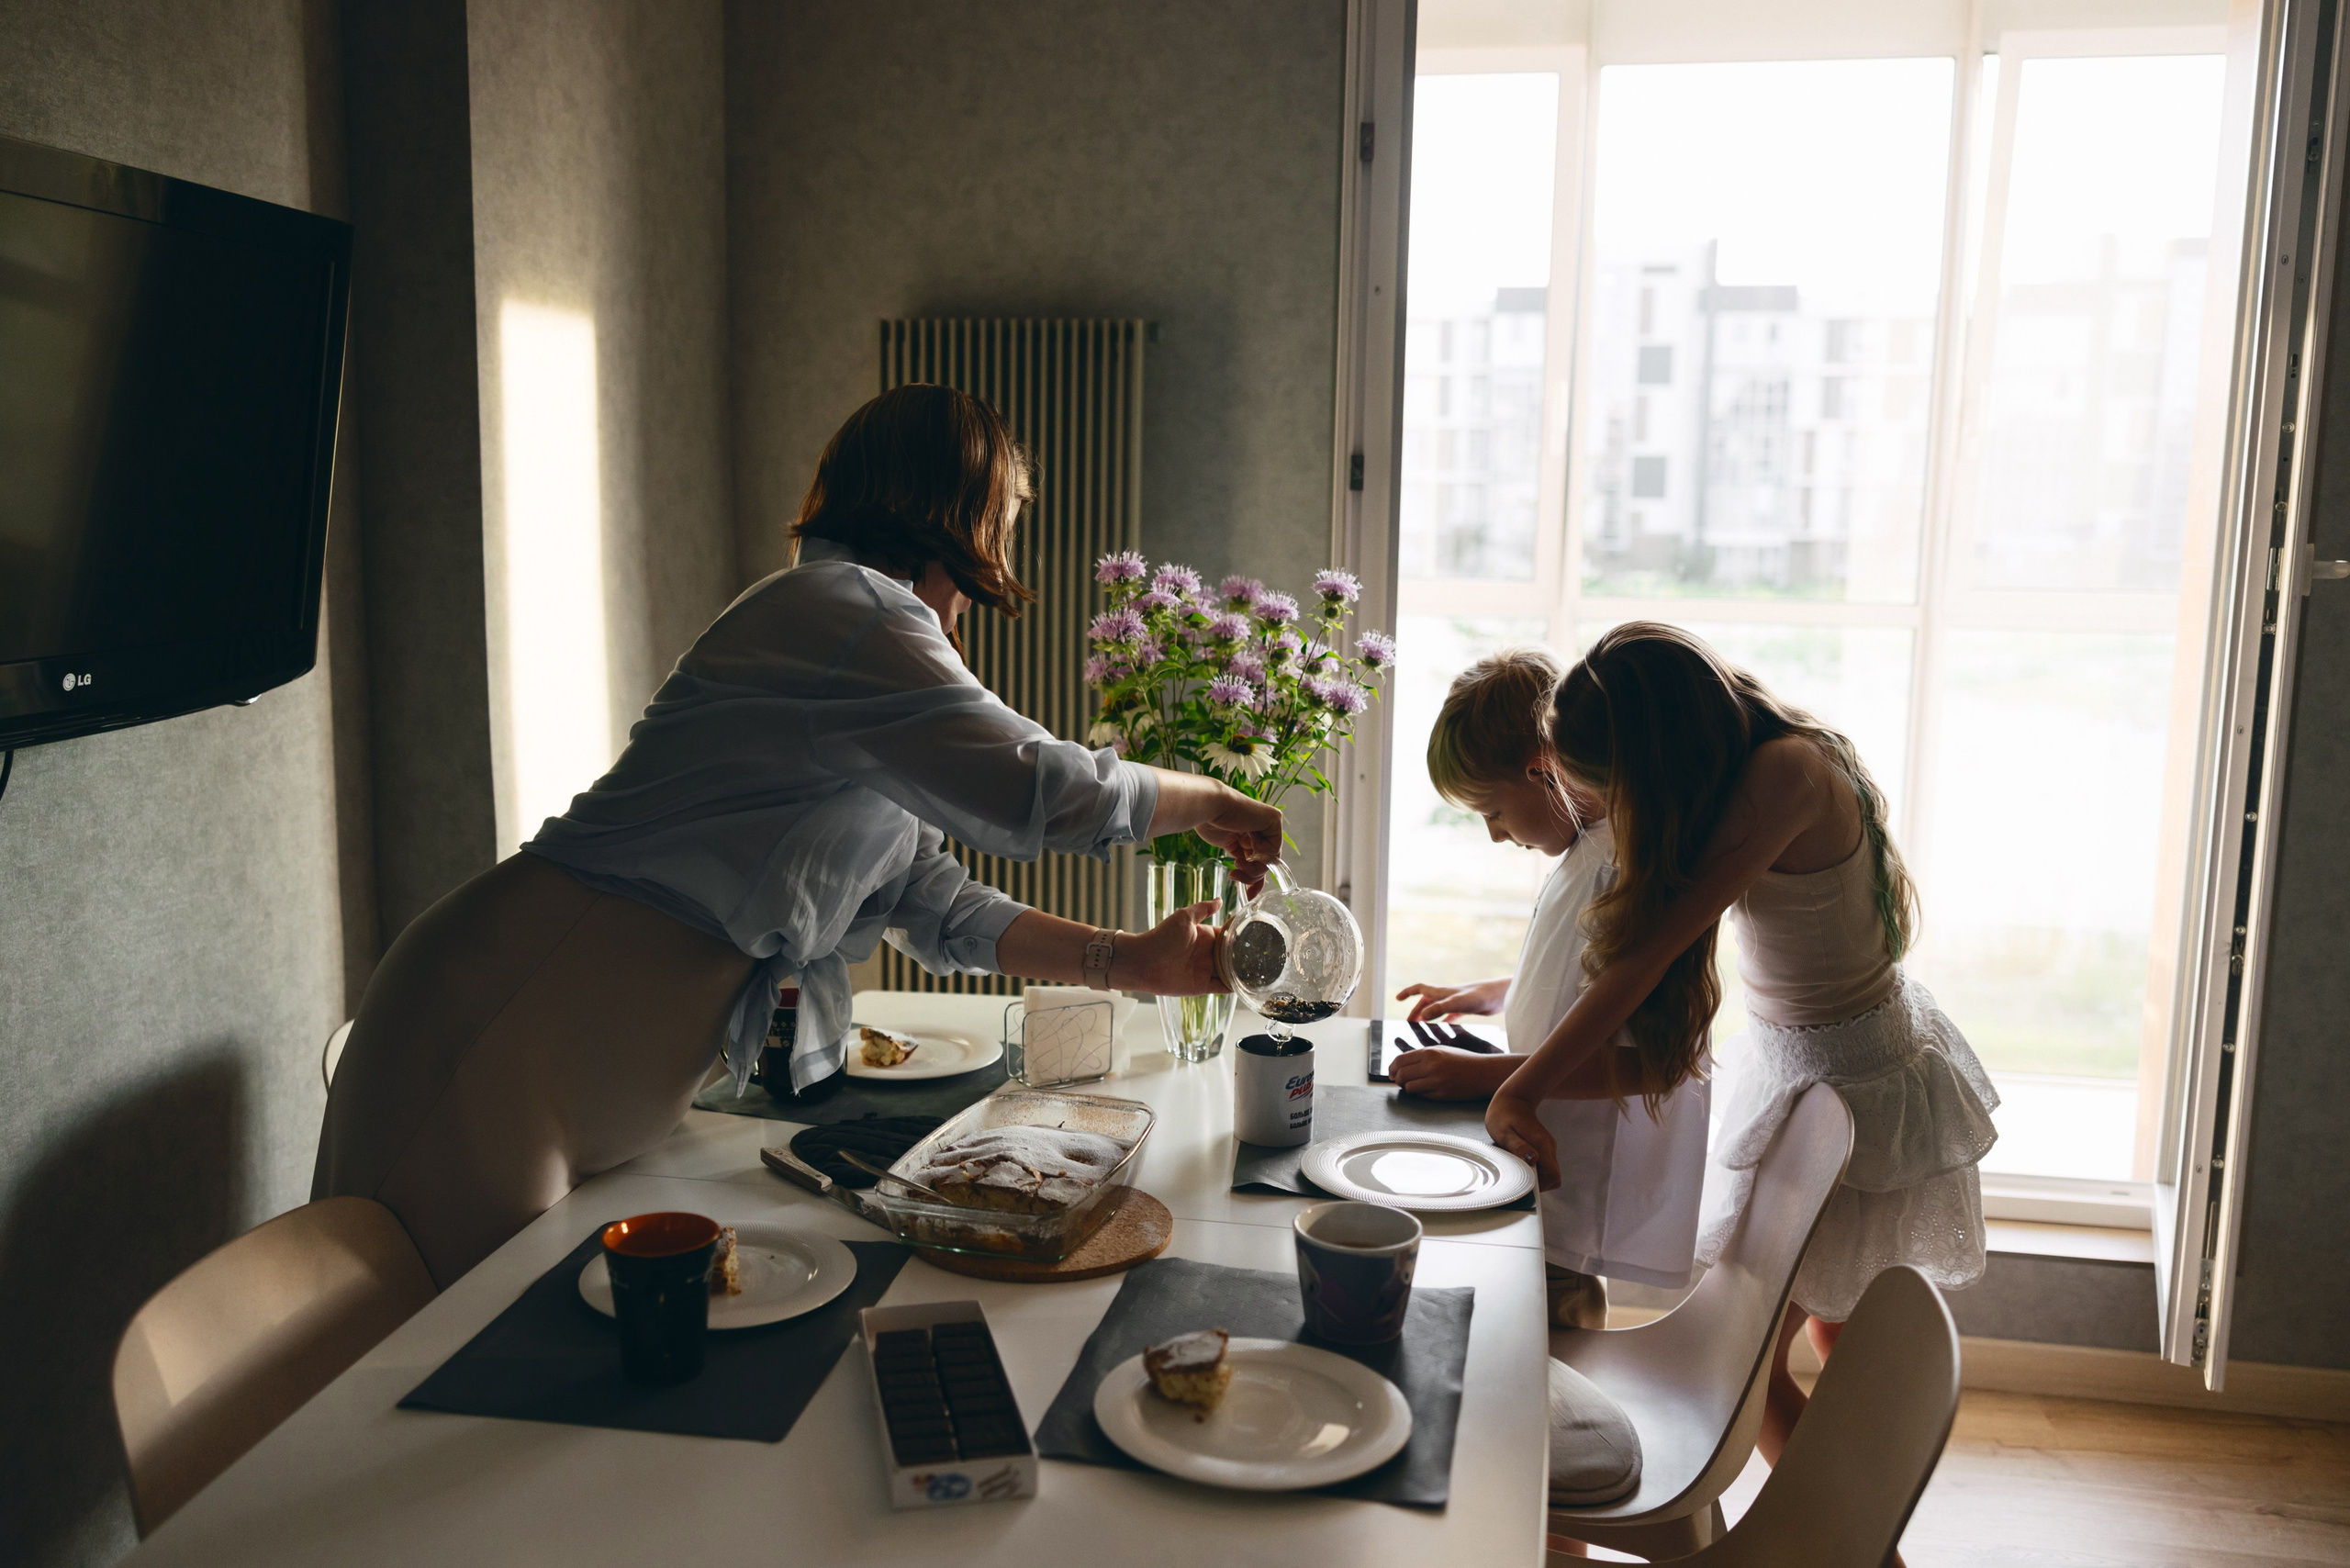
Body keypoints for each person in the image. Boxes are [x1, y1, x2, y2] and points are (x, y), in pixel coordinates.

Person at [316, 385, 1280, 1284]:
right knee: (407, 1381)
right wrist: (1212, 799)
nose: (997, 562)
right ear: (958, 516)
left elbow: (926, 897)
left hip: (554, 1057)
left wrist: (1130, 962)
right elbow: (1035, 790)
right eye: (1003, 526)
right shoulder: (849, 614)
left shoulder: (855, 637)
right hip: (497, 1027)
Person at [1483, 621, 1997, 1474]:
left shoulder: (1781, 775)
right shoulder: (1746, 751)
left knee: (1758, 1362)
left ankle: (1848, 1527)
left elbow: (1648, 954)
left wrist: (1518, 1090)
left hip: (1859, 1084)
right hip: (1815, 1065)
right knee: (1814, 1333)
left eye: (1606, 790)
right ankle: (1857, 1520)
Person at [1388, 647, 1710, 1336]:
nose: (1495, 833)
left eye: (1494, 810)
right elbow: (1589, 987)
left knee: (1551, 1339)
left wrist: (1483, 1077)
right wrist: (1498, 991)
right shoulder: (1588, 847)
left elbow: (1647, 1058)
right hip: (1541, 1158)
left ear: (1544, 770)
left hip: (1571, 1184)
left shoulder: (1622, 864)